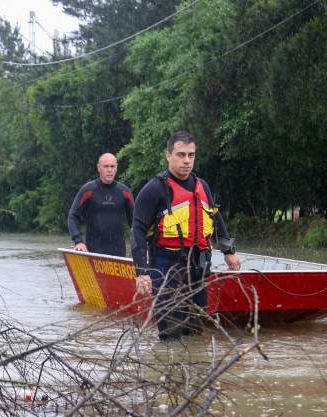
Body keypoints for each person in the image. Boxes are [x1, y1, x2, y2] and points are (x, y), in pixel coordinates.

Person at [131, 131, 241, 339]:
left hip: (199, 268)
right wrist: (141, 272)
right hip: (166, 268)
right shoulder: (154, 190)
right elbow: (137, 231)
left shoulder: (203, 187)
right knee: (171, 331)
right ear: (168, 155)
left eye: (191, 155)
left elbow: (215, 219)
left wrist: (228, 251)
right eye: (181, 155)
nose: (187, 161)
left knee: (194, 331)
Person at [67, 153, 135, 257]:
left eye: (112, 166)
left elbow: (135, 223)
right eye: (106, 166)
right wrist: (78, 241)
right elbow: (72, 216)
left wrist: (143, 247)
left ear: (116, 168)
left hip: (118, 256)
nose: (109, 170)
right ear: (99, 168)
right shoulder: (88, 190)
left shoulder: (125, 192)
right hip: (92, 254)